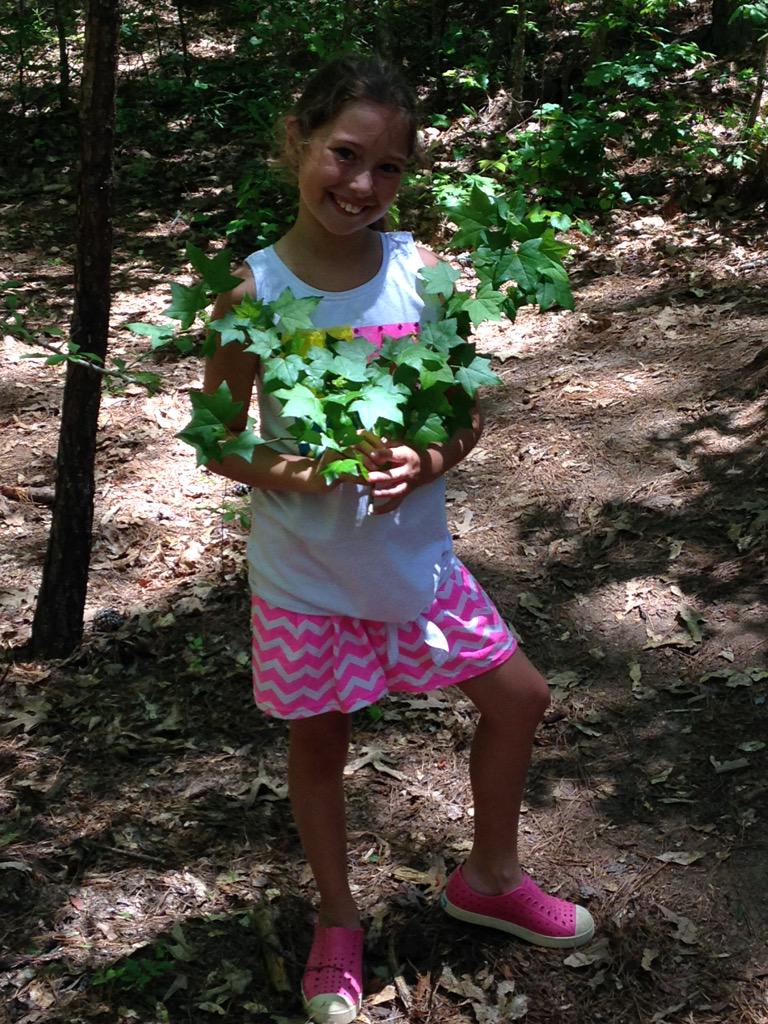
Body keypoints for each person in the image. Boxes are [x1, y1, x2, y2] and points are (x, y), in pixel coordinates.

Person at [202, 53, 595, 1024]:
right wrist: (313, 471)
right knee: (321, 740)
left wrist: (425, 459)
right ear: (297, 140)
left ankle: (489, 878)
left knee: (520, 697)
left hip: (417, 564)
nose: (362, 184)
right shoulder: (252, 296)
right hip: (306, 576)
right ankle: (338, 921)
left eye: (389, 167)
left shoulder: (423, 276)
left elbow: (466, 414)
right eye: (345, 154)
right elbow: (218, 440)